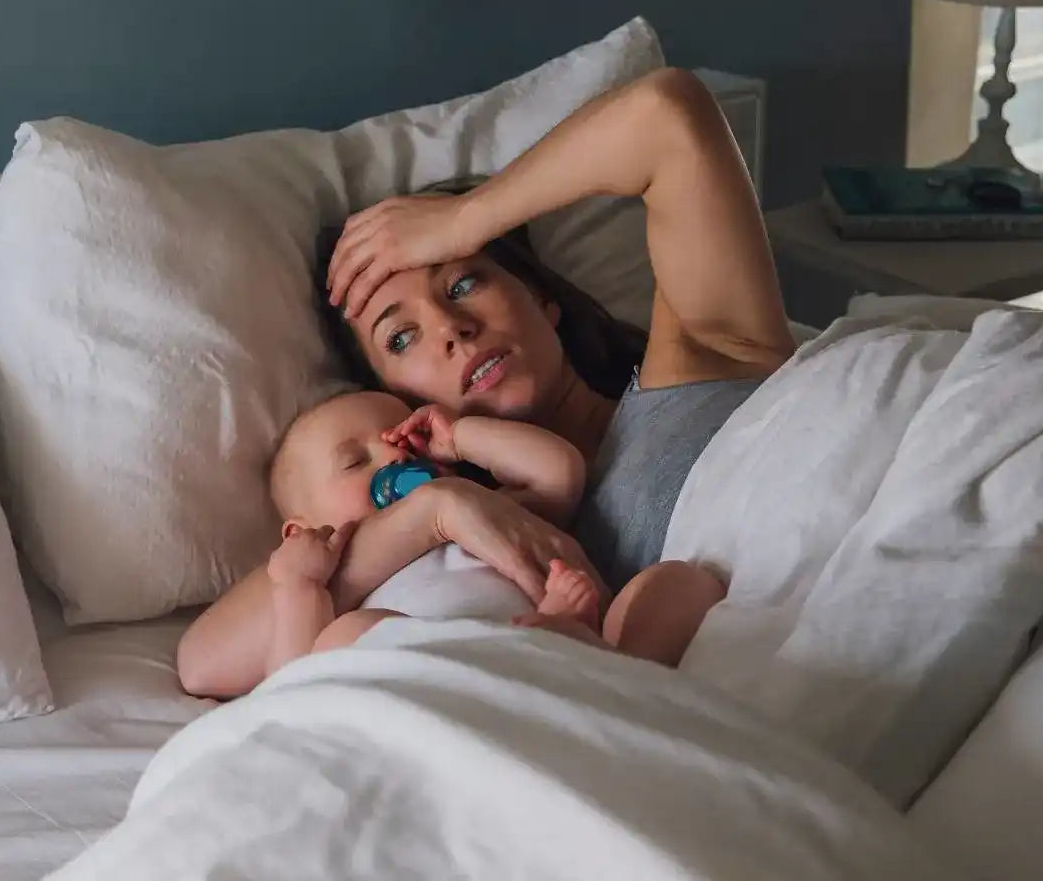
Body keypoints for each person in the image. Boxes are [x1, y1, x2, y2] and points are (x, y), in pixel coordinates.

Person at [179, 67, 793, 699]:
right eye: (401, 337)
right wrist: (438, 511)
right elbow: (205, 658)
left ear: (543, 298)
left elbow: (670, 114)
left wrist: (465, 218)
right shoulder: (502, 543)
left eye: (465, 281)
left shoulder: (705, 352)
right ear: (399, 407)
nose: (450, 326)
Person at [261, 389, 725, 679]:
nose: (391, 460)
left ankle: (607, 663)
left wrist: (460, 437)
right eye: (354, 462)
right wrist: (296, 583)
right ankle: (539, 650)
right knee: (342, 641)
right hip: (449, 684)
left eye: (401, 441)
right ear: (298, 530)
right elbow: (290, 686)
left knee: (679, 582)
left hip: (580, 660)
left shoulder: (493, 512)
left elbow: (558, 471)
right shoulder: (338, 584)